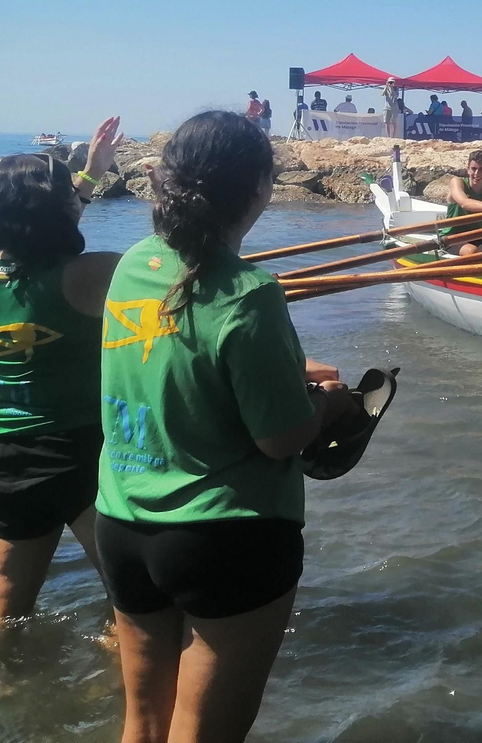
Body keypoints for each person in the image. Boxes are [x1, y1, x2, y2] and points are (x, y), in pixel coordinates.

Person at [96, 111, 354, 743]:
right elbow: (281, 439)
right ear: (260, 188)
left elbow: (179, 357)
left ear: (163, 180)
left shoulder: (133, 262)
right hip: (225, 534)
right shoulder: (249, 291)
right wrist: (326, 399)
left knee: (145, 722)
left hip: (123, 523)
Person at [0, 117, 123, 621]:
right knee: (132, 594)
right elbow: (178, 262)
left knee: (8, 600)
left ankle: (11, 687)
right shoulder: (99, 273)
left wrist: (90, 175)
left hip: (7, 454)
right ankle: (121, 685)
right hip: (81, 449)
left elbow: (41, 231)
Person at [440, 150, 482, 257]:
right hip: (452, 238)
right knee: (471, 251)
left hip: (481, 238)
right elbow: (464, 203)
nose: (476, 173)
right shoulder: (458, 182)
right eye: (473, 169)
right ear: (468, 169)